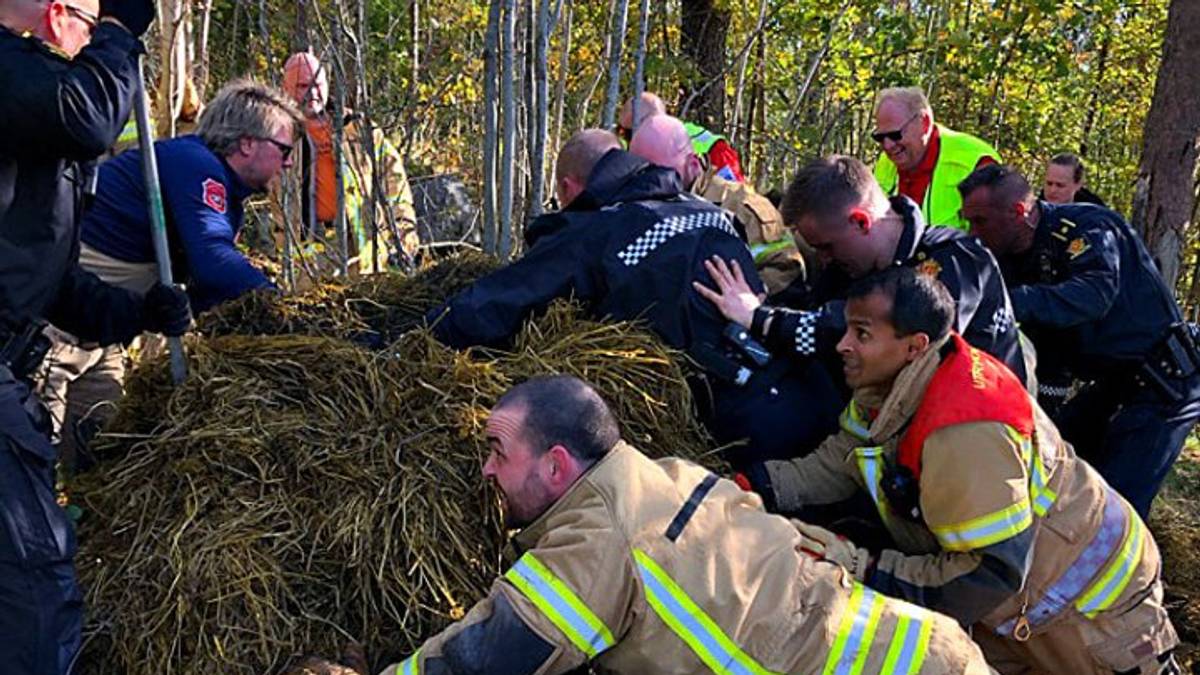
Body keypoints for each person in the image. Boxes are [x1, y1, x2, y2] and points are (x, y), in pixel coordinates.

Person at [372, 375, 990, 674]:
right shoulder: (662, 473)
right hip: (928, 647)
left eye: (499, 454)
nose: (485, 470)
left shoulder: (598, 539)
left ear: (557, 465)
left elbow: (487, 659)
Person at [743, 267, 1178, 674]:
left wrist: (861, 567)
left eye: (862, 334)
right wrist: (755, 486)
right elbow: (837, 462)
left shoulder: (964, 431)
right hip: (1023, 608)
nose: (842, 345)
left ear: (913, 345)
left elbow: (988, 576)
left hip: (1097, 619)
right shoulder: (889, 388)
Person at [428, 129, 843, 468]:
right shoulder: (711, 212)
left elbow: (499, 302)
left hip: (746, 439)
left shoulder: (601, 232)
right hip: (818, 401)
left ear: (570, 187)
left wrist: (415, 339)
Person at [0, 0, 193, 671]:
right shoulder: (15, 76)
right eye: (88, 25)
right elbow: (85, 114)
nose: (92, 48)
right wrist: (118, 33)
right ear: (60, 17)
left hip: (11, 353)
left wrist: (140, 311)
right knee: (32, 574)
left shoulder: (32, 117)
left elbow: (50, 283)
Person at [37, 80, 298, 472]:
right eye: (285, 150)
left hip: (103, 335)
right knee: (32, 457)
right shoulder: (196, 166)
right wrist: (285, 308)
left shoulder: (224, 192)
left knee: (98, 455)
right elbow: (213, 262)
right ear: (247, 143)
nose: (289, 163)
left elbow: (206, 292)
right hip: (52, 332)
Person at [958, 164, 1200, 518]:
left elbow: (1092, 296)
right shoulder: (1007, 256)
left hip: (1166, 379)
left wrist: (1010, 301)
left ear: (1019, 212)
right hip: (1112, 381)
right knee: (1059, 469)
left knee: (1117, 504)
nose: (974, 233)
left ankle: (1131, 567)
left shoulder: (1089, 227)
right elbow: (1044, 342)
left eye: (980, 221)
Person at [695, 155, 1029, 389]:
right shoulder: (848, 267)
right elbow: (816, 315)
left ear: (860, 221)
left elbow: (888, 342)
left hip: (986, 436)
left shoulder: (954, 259)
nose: (823, 259)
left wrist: (761, 319)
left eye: (826, 246)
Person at [629, 114, 806, 299]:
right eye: (641, 173)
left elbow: (786, 271)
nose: (650, 182)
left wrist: (746, 303)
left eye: (660, 173)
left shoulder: (742, 207)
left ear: (693, 165)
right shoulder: (629, 205)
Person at [282, 50, 418, 273]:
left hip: (365, 252)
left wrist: (404, 233)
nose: (313, 93)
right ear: (286, 89)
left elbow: (395, 183)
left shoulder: (358, 129)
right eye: (303, 86)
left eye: (318, 84)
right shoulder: (279, 136)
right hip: (309, 257)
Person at [872, 86, 999, 230]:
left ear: (924, 123)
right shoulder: (885, 163)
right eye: (880, 137)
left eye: (895, 135)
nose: (888, 145)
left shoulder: (975, 161)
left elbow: (995, 238)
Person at [618, 91, 745, 182]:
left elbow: (733, 198)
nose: (629, 141)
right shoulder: (625, 151)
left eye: (629, 133)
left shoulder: (714, 148)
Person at [1041, 152, 1106, 206]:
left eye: (1060, 185)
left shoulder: (1096, 215)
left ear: (1078, 185)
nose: (1053, 190)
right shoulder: (1034, 212)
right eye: (1049, 183)